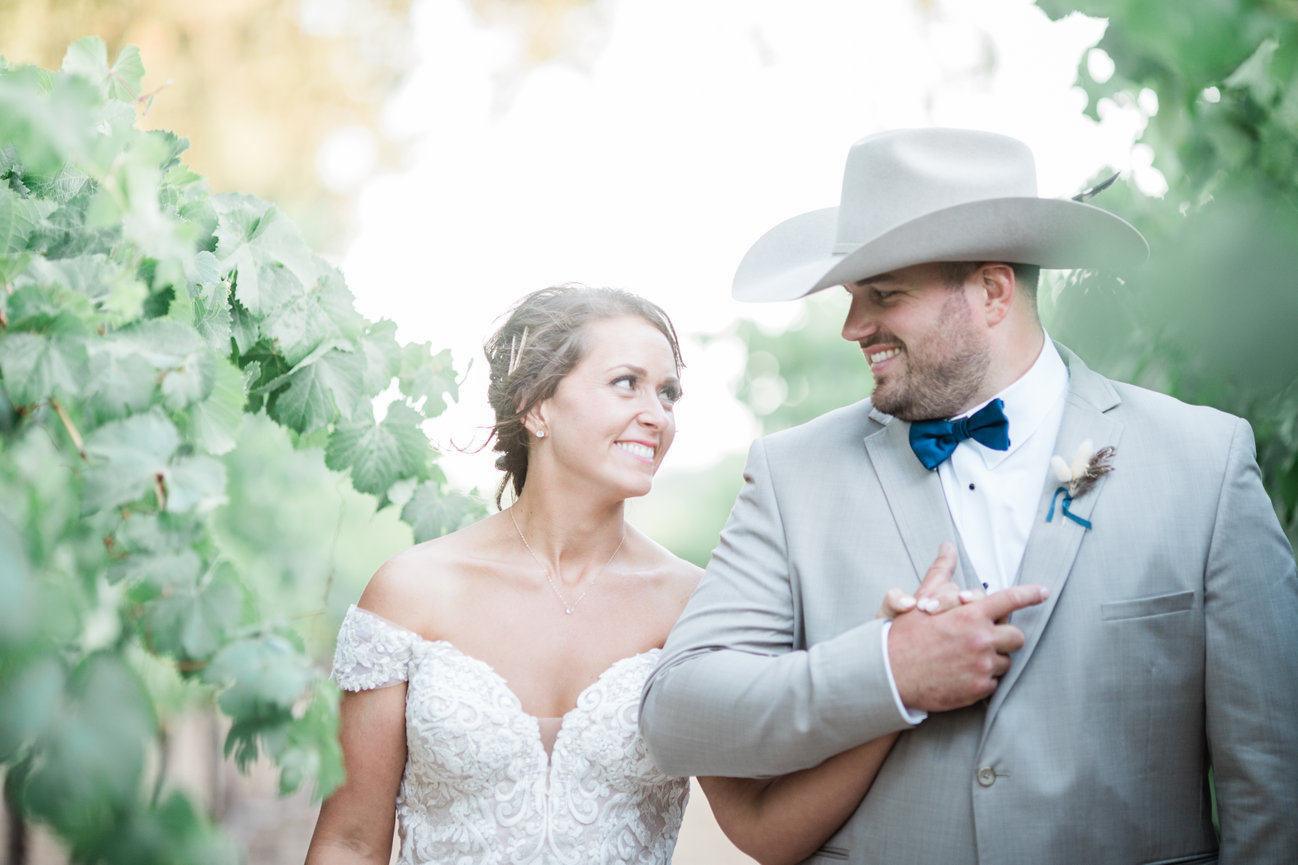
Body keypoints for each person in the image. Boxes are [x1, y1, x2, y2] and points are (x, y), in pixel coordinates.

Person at [640, 128, 1298, 864]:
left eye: (883, 294)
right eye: (853, 297)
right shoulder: (791, 475)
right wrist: (889, 670)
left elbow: (1271, 788)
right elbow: (678, 715)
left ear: (991, 291)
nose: (854, 326)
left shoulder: (1204, 462)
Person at [303, 284, 940, 865]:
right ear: (535, 407)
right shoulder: (412, 592)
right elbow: (350, 841)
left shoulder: (693, 603)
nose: (657, 415)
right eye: (626, 383)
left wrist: (894, 684)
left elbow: (763, 828)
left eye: (667, 393)